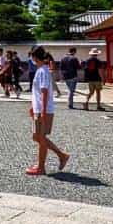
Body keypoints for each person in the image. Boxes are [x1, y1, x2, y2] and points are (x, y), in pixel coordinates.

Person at [26, 46, 69, 176]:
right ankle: (61, 155)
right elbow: (39, 92)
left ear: (34, 57)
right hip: (40, 108)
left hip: (43, 109)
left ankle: (42, 166)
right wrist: (34, 107)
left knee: (41, 137)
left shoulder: (42, 71)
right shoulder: (41, 70)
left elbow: (44, 92)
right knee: (37, 136)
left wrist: (42, 111)